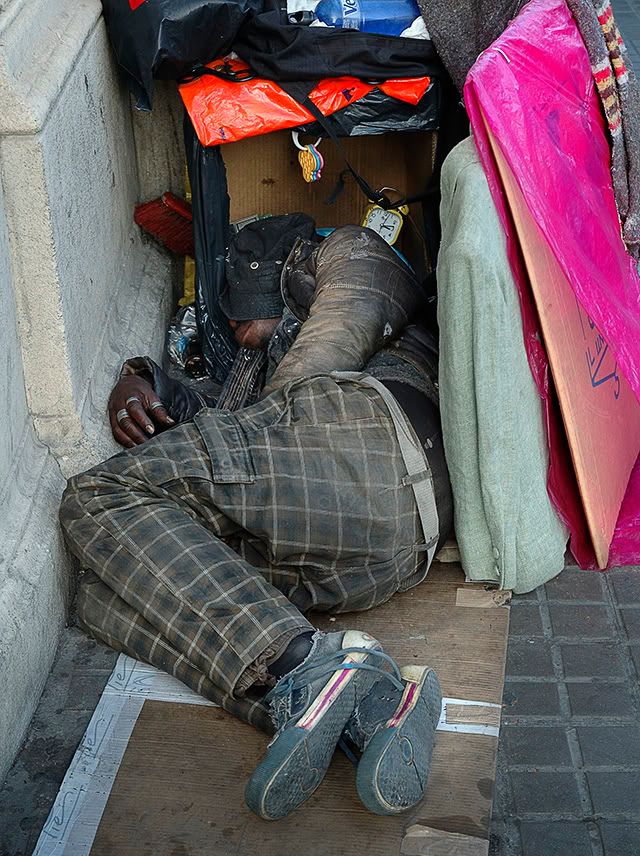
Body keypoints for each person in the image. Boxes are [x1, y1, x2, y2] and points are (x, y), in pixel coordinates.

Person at [60, 217, 453, 821]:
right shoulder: (269, 362)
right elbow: (231, 430)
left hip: (369, 448)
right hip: (384, 549)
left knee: (98, 494)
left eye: (242, 314)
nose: (241, 334)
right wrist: (145, 381)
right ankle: (367, 707)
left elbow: (355, 312)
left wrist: (245, 423)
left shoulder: (346, 255)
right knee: (101, 588)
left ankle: (305, 665)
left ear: (277, 273)